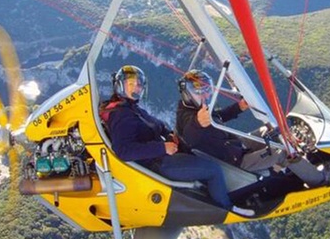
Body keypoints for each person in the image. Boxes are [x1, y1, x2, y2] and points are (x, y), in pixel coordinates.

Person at [101, 65, 255, 217]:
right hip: (158, 164)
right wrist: (162, 148)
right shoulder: (120, 115)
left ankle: (223, 192)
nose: (136, 88)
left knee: (202, 154)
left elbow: (158, 126)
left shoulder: (131, 108)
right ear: (120, 85)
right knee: (213, 170)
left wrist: (168, 136)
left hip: (163, 155)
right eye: (131, 84)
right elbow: (123, 151)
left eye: (139, 84)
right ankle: (227, 208)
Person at [175, 70, 286, 173]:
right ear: (187, 95)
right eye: (199, 93)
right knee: (282, 152)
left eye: (207, 91)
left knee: (267, 130)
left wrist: (239, 107)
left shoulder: (198, 108)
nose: (207, 95)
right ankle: (297, 174)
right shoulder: (186, 117)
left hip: (233, 145)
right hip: (235, 160)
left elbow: (218, 117)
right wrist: (197, 123)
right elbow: (189, 135)